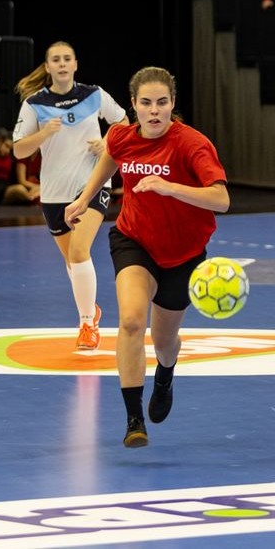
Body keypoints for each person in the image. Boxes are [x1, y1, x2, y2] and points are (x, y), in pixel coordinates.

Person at [63, 66, 229, 448]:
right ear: (133, 104)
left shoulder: (192, 144)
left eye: (162, 103)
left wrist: (170, 187)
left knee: (164, 341)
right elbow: (111, 157)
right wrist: (84, 198)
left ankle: (165, 375)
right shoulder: (122, 135)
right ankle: (134, 420)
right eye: (146, 103)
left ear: (173, 103)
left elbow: (221, 200)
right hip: (134, 240)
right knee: (132, 321)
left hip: (183, 253)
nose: (154, 111)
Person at [13, 41, 128, 350]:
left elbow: (122, 122)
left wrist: (108, 143)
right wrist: (44, 133)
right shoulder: (34, 104)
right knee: (73, 263)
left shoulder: (94, 95)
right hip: (54, 193)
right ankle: (90, 307)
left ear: (75, 64)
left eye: (67, 59)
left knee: (79, 252)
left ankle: (87, 324)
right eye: (56, 60)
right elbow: (19, 150)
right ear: (48, 67)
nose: (62, 64)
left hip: (92, 185)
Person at [0, 127, 39, 205]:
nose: (8, 151)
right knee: (19, 189)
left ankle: (33, 199)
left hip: (5, 188)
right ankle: (32, 199)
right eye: (6, 146)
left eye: (10, 149)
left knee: (34, 189)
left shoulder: (9, 158)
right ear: (0, 142)